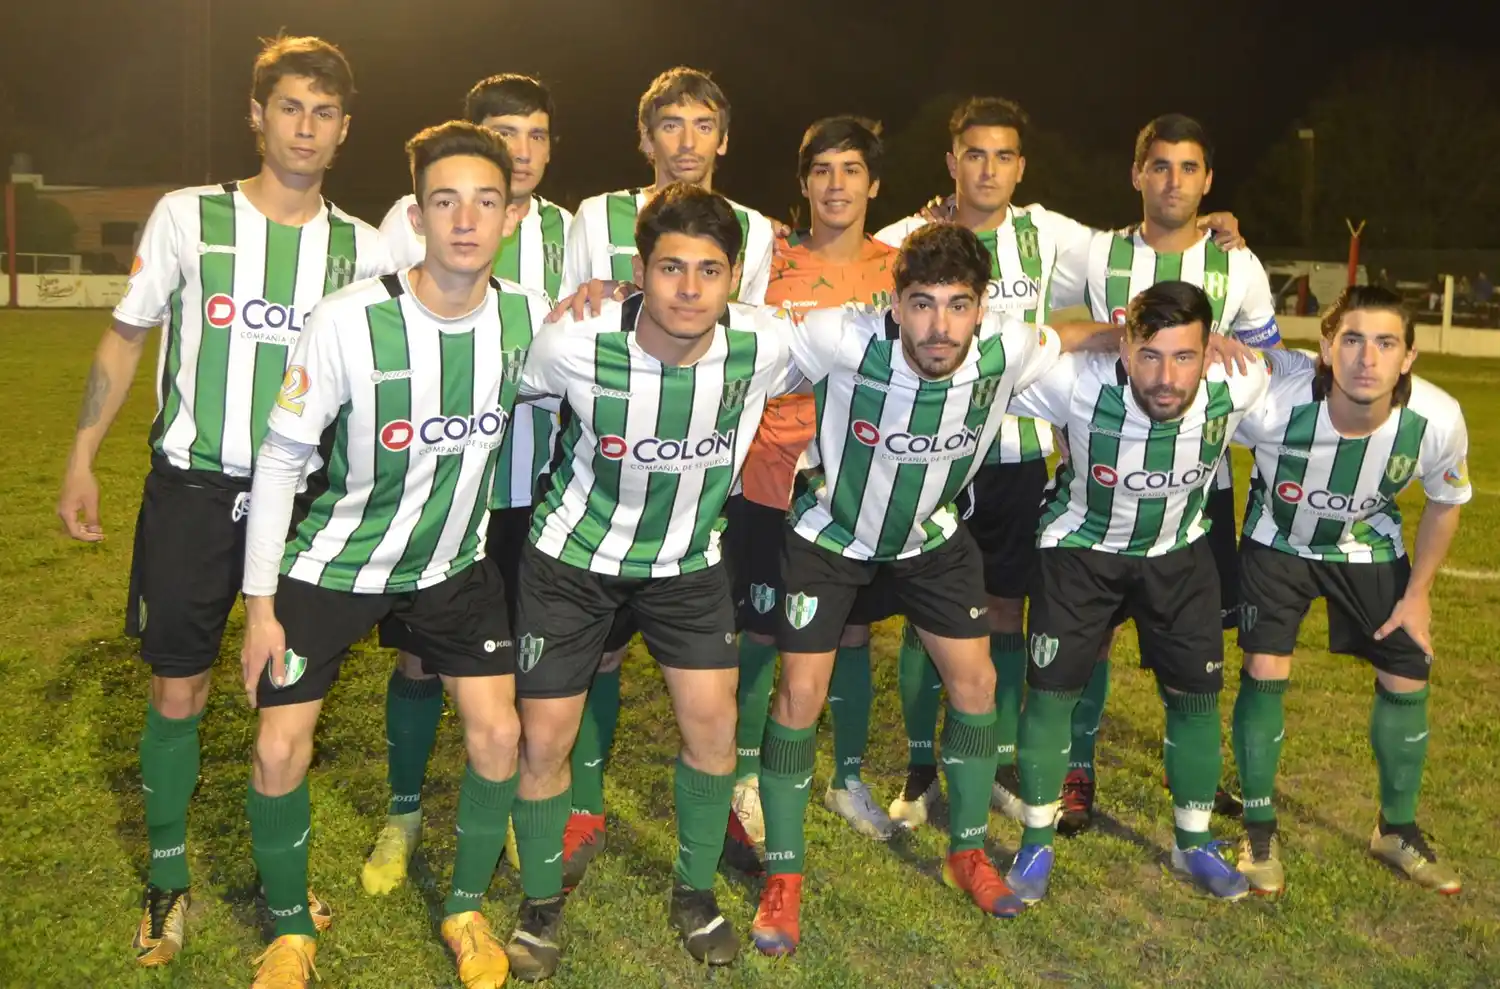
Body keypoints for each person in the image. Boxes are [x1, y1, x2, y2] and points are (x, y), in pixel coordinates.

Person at [54, 35, 388, 968]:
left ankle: (281, 871)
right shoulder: (188, 216)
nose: (306, 127)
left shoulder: (364, 248)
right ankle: (168, 877)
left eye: (324, 112)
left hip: (306, 501)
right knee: (180, 686)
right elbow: (126, 337)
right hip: (195, 491)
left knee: (287, 699)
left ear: (344, 129)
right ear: (256, 115)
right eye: (290, 107)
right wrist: (81, 457)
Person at [747, 223, 1130, 956]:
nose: (939, 326)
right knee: (798, 695)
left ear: (982, 308)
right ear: (893, 304)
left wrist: (1140, 333)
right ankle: (784, 877)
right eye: (922, 304)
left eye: (958, 305)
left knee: (977, 684)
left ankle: (967, 851)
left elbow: (1071, 337)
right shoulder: (841, 337)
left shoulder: (1005, 347)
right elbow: (742, 337)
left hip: (930, 536)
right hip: (832, 532)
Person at [874, 99, 1248, 831]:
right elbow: (856, 267)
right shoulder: (907, 237)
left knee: (1007, 609)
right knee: (927, 613)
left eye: (1003, 156)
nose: (988, 170)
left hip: (1017, 457)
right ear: (951, 164)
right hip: (933, 453)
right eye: (974, 155)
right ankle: (921, 768)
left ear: (1021, 166)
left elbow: (1146, 244)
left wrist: (1208, 225)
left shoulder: (1050, 234)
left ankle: (1006, 760)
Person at [238, 121, 550, 989]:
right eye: (445, 202)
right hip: (334, 563)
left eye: (485, 202)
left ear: (511, 216)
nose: (465, 220)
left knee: (500, 733)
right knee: (277, 747)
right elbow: (281, 459)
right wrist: (260, 608)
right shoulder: (348, 320)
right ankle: (290, 930)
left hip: (452, 566)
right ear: (416, 216)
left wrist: (612, 295)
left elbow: (625, 345)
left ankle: (464, 908)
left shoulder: (531, 318)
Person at [503, 184, 798, 980]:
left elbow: (877, 334)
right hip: (572, 562)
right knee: (545, 740)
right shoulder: (575, 341)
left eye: (709, 270)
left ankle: (695, 894)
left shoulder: (765, 343)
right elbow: (512, 387)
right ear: (640, 271)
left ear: (734, 276)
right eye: (671, 268)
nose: (690, 288)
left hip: (687, 564)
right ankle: (539, 906)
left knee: (714, 730)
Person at [552, 66, 779, 886]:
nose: (688, 141)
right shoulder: (597, 215)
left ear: (725, 137)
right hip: (614, 470)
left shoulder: (753, 227)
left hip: (704, 481)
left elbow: (743, 334)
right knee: (602, 654)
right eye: (671, 124)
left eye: (703, 124)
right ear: (644, 137)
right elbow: (572, 318)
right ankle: (583, 803)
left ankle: (732, 796)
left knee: (729, 650)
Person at [363, 72, 572, 898]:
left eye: (536, 134)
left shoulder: (566, 228)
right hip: (437, 490)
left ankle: (513, 803)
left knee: (525, 661)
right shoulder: (409, 219)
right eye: (504, 133)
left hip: (533, 491)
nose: (521, 150)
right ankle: (404, 810)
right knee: (420, 657)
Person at [1045, 113, 1280, 834]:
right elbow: (1019, 302)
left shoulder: (1237, 264)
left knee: (1195, 644)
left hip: (1194, 491)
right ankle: (1076, 768)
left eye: (1188, 168)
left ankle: (1195, 774)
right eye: (1160, 166)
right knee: (1092, 640)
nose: (1173, 181)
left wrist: (1228, 348)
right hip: (1102, 480)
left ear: (1208, 181)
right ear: (1136, 174)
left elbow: (1269, 359)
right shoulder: (1095, 253)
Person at [1003, 280, 1266, 905]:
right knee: (1051, 694)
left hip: (1178, 552)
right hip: (1079, 551)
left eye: (1184, 356)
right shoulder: (1076, 382)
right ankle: (1036, 840)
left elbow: (1306, 381)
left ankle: (1192, 842)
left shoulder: (1240, 382)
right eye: (1149, 355)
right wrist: (1089, 336)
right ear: (1125, 349)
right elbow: (1000, 356)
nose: (1166, 377)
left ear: (1208, 352)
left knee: (1196, 698)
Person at [1230, 286, 1469, 896]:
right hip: (1276, 540)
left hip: (1367, 545)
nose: (1368, 357)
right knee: (1264, 666)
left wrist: (1418, 594)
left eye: (1386, 343)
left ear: (1408, 357)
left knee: (1407, 668)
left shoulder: (1436, 419)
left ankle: (1396, 828)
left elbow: (1445, 503)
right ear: (1327, 348)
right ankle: (1258, 827)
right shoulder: (1272, 403)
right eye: (1353, 339)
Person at [726, 115, 899, 846]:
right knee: (762, 630)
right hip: (769, 473)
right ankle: (743, 781)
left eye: (851, 169)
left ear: (874, 184)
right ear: (803, 182)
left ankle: (847, 777)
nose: (836, 184)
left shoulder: (900, 269)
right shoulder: (767, 257)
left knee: (852, 632)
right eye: (822, 169)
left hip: (857, 486)